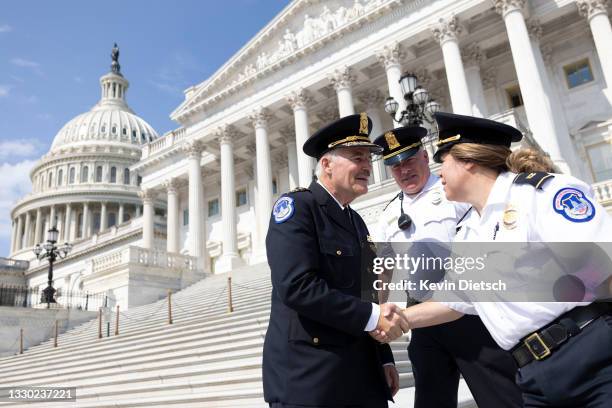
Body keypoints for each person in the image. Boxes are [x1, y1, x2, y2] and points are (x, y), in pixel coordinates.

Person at [373, 112, 612, 407]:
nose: (440, 172)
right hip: (534, 373)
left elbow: (605, 273)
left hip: (588, 355)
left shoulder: (540, 194)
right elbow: (457, 298)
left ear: (467, 161)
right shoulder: (470, 230)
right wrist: (397, 317)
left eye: (442, 161)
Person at [263, 113, 409, 408]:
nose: (368, 166)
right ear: (326, 165)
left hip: (362, 376)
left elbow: (369, 296)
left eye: (369, 158)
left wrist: (383, 357)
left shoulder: (356, 221)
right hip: (313, 377)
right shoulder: (297, 208)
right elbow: (297, 286)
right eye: (357, 157)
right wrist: (372, 318)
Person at [372, 125, 523, 408]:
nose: (403, 171)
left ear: (425, 156)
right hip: (423, 317)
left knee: (499, 394)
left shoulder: (453, 192)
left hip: (468, 313)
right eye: (394, 167)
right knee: (430, 399)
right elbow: (384, 268)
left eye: (408, 161)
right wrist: (378, 309)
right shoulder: (388, 213)